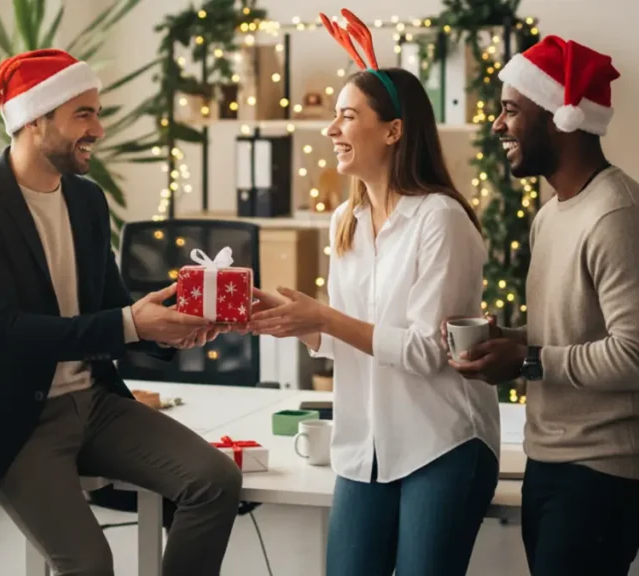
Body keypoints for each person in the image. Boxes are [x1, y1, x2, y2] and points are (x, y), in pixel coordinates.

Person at [0, 48, 242, 576]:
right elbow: (4, 335)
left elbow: (108, 310)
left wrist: (166, 332)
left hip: (94, 403)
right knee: (90, 564)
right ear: (33, 120)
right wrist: (130, 323)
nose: (99, 128)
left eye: (97, 112)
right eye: (83, 115)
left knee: (214, 481)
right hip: (12, 421)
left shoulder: (87, 200)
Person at [246, 10, 500, 576]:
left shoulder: (441, 219)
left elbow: (426, 351)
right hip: (366, 447)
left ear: (393, 130)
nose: (331, 131)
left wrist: (327, 319)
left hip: (442, 442)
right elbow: (349, 341)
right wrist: (294, 320)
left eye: (346, 117)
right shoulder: (348, 218)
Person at [447, 35, 639, 575]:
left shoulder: (616, 215)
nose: (497, 125)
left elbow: (633, 352)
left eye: (511, 110)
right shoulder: (551, 214)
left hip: (601, 473)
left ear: (562, 116)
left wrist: (528, 362)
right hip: (549, 461)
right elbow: (573, 328)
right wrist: (507, 339)